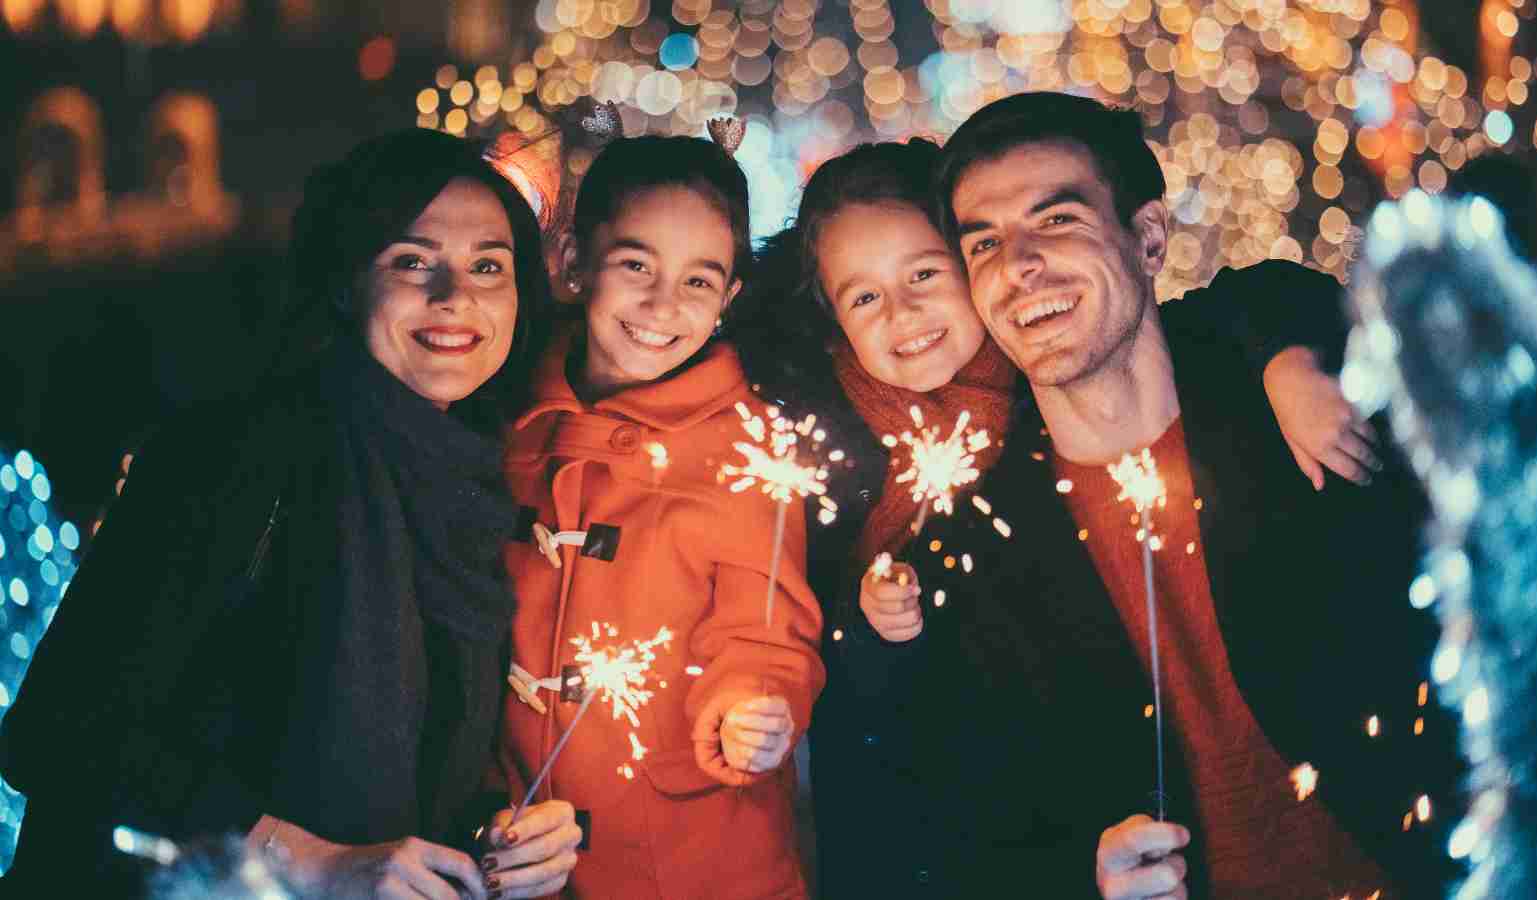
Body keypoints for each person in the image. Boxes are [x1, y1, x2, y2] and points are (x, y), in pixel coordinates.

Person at [729, 137, 1395, 898]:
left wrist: (1286, 358)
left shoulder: (1061, 376)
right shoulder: (826, 446)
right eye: (865, 297)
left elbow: (1236, 301)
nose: (905, 312)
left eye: (924, 274)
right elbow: (952, 756)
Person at [864, 91, 1463, 898]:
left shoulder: (1295, 407)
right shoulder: (977, 547)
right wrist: (1083, 877)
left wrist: (1289, 348)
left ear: (1147, 237)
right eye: (985, 244)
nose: (1019, 266)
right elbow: (977, 827)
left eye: (1057, 220)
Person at [0, 129, 581, 899]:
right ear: (346, 282)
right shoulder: (240, 453)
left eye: (488, 266)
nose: (456, 297)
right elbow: (56, 733)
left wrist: (499, 833)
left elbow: (415, 765)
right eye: (413, 261)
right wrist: (302, 856)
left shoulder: (472, 483)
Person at [497, 134, 823, 899]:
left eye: (698, 281)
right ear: (575, 261)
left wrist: (752, 707)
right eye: (635, 265)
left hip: (693, 860)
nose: (662, 305)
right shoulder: (508, 419)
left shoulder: (749, 448)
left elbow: (765, 630)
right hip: (521, 842)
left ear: (730, 299)